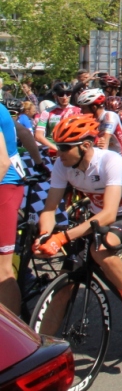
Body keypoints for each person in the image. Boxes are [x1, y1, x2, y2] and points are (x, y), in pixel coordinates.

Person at [34, 115, 122, 344]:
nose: (58, 152)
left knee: (101, 248)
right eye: (58, 146)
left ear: (86, 145)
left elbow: (109, 214)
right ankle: (40, 348)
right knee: (64, 285)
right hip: (98, 219)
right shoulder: (62, 165)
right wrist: (45, 236)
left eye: (64, 147)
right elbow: (49, 208)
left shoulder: (110, 161)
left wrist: (62, 237)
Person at [0, 100, 27, 314]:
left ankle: (14, 329)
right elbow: (23, 132)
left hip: (4, 186)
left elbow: (2, 162)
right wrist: (38, 162)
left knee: (2, 270)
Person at [77, 88, 122, 165]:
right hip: (111, 159)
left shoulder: (109, 116)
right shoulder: (93, 120)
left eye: (83, 108)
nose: (81, 111)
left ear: (94, 107)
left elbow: (104, 143)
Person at [34, 81, 81, 151]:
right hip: (53, 148)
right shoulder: (47, 112)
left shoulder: (78, 111)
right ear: (55, 96)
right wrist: (56, 148)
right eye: (61, 94)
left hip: (71, 148)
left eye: (68, 94)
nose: (65, 97)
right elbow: (38, 136)